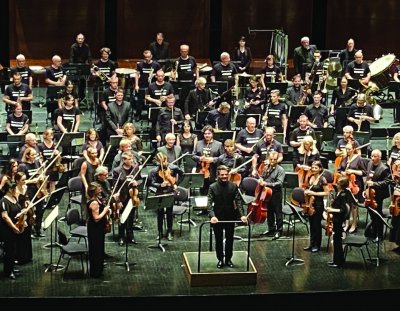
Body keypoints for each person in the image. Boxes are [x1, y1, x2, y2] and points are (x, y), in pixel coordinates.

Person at [208, 165, 248, 269]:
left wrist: (242, 215)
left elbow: (238, 202)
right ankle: (220, 259)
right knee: (218, 239)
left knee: (230, 239)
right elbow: (209, 203)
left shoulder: (233, 186)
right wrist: (212, 216)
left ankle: (228, 259)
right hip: (217, 217)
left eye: (226, 174)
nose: (224, 176)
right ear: (218, 175)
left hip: (230, 216)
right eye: (222, 175)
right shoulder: (212, 187)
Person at [148, 152, 184, 241]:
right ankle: (159, 232)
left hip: (170, 191)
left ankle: (169, 231)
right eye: (160, 161)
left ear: (166, 159)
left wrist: (176, 183)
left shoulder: (173, 167)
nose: (162, 163)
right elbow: (150, 182)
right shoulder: (154, 171)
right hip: (160, 192)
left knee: (169, 213)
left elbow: (182, 175)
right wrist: (160, 185)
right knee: (159, 213)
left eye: (163, 161)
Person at [112, 151, 142, 245]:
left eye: (131, 159)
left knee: (131, 217)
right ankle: (121, 236)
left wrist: (137, 183)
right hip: (123, 196)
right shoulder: (117, 171)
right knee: (122, 217)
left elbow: (140, 179)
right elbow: (115, 186)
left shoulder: (135, 168)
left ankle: (130, 235)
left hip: (133, 196)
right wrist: (118, 200)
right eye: (129, 159)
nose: (131, 161)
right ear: (124, 160)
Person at [336, 140, 365, 233]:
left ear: (354, 149)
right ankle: (347, 223)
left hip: (355, 184)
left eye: (349, 149)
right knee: (345, 203)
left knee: (354, 205)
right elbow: (339, 169)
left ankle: (354, 224)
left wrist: (353, 171)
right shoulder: (345, 158)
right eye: (346, 149)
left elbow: (364, 172)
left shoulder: (359, 159)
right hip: (345, 184)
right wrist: (342, 172)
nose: (347, 151)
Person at [17, 147, 46, 238]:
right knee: (30, 211)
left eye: (35, 155)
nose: (35, 156)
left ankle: (38, 229)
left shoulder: (37, 163)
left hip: (38, 189)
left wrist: (41, 177)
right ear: (27, 155)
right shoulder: (22, 166)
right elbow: (20, 181)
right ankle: (29, 230)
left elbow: (40, 174)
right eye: (33, 155)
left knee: (40, 210)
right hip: (28, 190)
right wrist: (32, 181)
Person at [325, 176, 353, 268]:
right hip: (336, 219)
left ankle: (339, 262)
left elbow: (343, 210)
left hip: (338, 220)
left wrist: (331, 209)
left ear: (341, 185)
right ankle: (335, 260)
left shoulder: (343, 195)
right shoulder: (339, 193)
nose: (336, 184)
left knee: (337, 242)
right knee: (336, 241)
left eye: (338, 183)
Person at [364, 149, 391, 240]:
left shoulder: (384, 168)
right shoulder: (369, 164)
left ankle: (380, 235)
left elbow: (387, 182)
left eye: (375, 156)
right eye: (371, 156)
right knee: (372, 213)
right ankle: (373, 232)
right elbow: (368, 177)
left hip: (379, 195)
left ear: (379, 157)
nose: (372, 158)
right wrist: (366, 190)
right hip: (370, 194)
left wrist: (374, 184)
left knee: (378, 214)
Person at [257, 151, 285, 239]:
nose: (272, 161)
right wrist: (260, 180)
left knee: (278, 212)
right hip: (267, 193)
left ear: (277, 160)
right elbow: (262, 176)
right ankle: (271, 229)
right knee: (269, 212)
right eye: (271, 159)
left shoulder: (280, 170)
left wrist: (266, 184)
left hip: (276, 193)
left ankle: (279, 231)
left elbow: (279, 183)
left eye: (274, 160)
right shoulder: (266, 167)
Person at [302, 160, 329, 253]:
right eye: (312, 167)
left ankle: (317, 245)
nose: (313, 169)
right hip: (310, 204)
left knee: (316, 225)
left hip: (318, 205)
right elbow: (306, 187)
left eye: (315, 168)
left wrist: (314, 193)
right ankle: (311, 243)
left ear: (320, 169)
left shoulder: (322, 179)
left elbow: (327, 192)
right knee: (311, 225)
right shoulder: (311, 177)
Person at [86, 182, 110, 278]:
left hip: (99, 228)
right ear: (94, 192)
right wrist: (105, 211)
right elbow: (96, 218)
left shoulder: (97, 199)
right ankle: (95, 272)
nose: (100, 188)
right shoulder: (94, 202)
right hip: (95, 229)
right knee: (95, 249)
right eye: (98, 188)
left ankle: (99, 268)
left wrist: (107, 210)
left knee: (99, 248)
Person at [193, 125, 224, 199]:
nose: (207, 135)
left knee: (213, 191)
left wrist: (213, 159)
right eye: (205, 133)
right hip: (201, 171)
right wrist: (200, 158)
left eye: (209, 133)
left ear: (212, 134)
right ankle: (203, 209)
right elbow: (193, 155)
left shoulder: (219, 144)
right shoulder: (198, 143)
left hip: (213, 171)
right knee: (202, 190)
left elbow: (223, 157)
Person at [0, 181, 23, 279]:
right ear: (10, 190)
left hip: (15, 228)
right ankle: (8, 271)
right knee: (9, 251)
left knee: (13, 250)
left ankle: (12, 268)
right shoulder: (3, 201)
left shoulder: (14, 198)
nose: (16, 190)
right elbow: (5, 217)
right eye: (15, 189)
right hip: (7, 230)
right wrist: (14, 227)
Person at [134, 50, 161, 122]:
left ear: (151, 56)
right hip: (142, 85)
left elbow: (160, 73)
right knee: (140, 101)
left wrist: (154, 75)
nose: (147, 58)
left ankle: (152, 116)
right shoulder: (140, 65)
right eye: (145, 57)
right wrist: (136, 85)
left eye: (148, 57)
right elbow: (137, 75)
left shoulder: (156, 65)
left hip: (152, 86)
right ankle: (138, 115)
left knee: (152, 101)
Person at [69, 33, 92, 101]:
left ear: (84, 39)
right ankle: (74, 97)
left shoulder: (86, 46)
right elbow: (71, 57)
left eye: (82, 38)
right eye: (79, 38)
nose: (80, 40)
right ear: (76, 39)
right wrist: (71, 67)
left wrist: (89, 66)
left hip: (83, 66)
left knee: (83, 83)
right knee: (74, 83)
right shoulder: (73, 46)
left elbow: (89, 57)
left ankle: (82, 97)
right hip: (75, 66)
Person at [37, 128, 61, 193]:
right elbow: (39, 156)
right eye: (49, 135)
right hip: (45, 166)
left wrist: (58, 154)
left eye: (52, 135)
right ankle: (44, 199)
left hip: (53, 167)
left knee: (52, 183)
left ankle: (52, 199)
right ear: (45, 136)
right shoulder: (40, 145)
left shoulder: (55, 145)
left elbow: (59, 157)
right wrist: (41, 164)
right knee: (44, 183)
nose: (51, 137)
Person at [45, 55, 67, 124]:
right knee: (54, 104)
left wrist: (63, 81)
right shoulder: (49, 69)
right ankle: (53, 119)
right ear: (54, 61)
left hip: (61, 89)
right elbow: (47, 80)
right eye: (58, 61)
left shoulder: (61, 67)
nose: (60, 62)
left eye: (60, 61)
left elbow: (65, 74)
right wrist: (56, 83)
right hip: (53, 89)